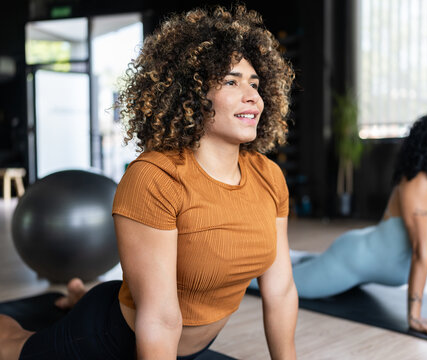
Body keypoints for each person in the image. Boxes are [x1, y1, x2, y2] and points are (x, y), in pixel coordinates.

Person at [0, 5, 298, 360]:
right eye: (231, 81)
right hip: (108, 340)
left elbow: (280, 290)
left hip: (173, 339)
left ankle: (75, 296)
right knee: (11, 345)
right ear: (192, 93)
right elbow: (159, 318)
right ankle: (77, 305)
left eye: (255, 83)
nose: (253, 96)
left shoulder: (269, 176)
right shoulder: (155, 177)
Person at [253, 107, 427, 338]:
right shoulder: (419, 182)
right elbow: (420, 251)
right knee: (278, 285)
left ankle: (292, 256)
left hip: (368, 258)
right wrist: (415, 317)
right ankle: (240, 269)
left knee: (300, 263)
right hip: (353, 260)